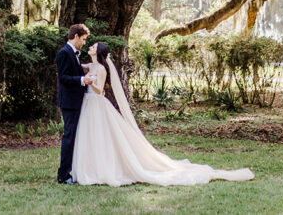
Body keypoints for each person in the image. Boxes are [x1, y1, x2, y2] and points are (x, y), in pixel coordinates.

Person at [70, 41, 254, 186]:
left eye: (93, 46)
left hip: (97, 104)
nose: (90, 47)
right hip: (89, 106)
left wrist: (88, 83)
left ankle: (104, 169)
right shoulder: (92, 66)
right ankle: (92, 167)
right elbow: (80, 65)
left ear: (98, 52)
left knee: (103, 137)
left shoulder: (101, 69)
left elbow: (99, 89)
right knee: (93, 138)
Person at [56, 23, 92, 184]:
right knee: (69, 137)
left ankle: (71, 170)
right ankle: (63, 174)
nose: (84, 43)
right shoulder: (64, 53)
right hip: (69, 102)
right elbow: (63, 78)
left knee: (73, 136)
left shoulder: (74, 53)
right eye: (83, 39)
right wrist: (81, 80)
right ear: (76, 36)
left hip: (76, 101)